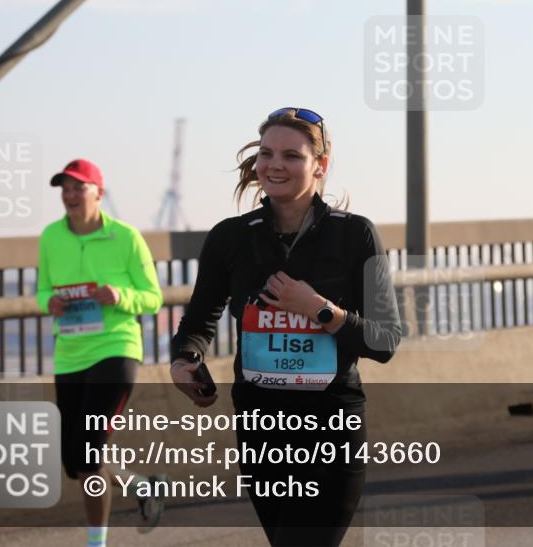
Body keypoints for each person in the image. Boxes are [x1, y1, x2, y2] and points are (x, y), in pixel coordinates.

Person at [170, 108, 401, 547]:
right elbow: (199, 320)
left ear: (320, 165)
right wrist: (185, 360)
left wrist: (318, 308)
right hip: (260, 424)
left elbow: (385, 340)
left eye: (291, 155)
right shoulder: (231, 237)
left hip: (331, 425)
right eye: (267, 154)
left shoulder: (355, 235)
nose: (275, 165)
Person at [36, 159, 167, 546]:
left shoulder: (125, 237)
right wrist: (50, 303)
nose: (70, 195)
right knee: (75, 462)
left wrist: (120, 295)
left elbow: (154, 298)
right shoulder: (50, 236)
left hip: (116, 348)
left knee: (88, 452)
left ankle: (97, 543)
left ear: (99, 193)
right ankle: (143, 486)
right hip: (70, 352)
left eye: (79, 187)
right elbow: (43, 288)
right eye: (65, 188)